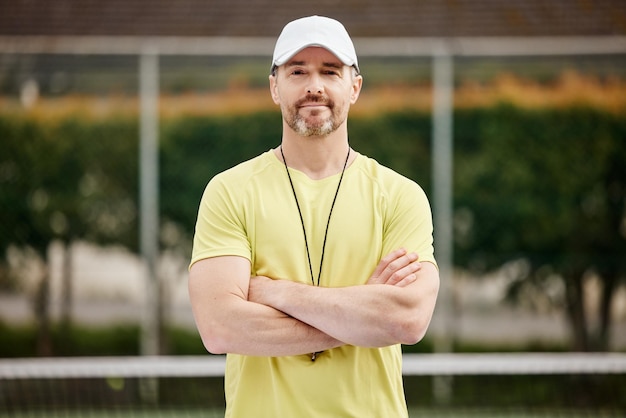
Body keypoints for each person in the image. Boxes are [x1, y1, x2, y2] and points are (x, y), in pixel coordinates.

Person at [188, 15, 439, 418]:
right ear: (274, 86)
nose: (314, 86)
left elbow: (407, 319)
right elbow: (219, 327)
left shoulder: (400, 196)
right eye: (298, 71)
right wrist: (360, 316)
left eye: (330, 71)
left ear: (354, 87)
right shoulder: (230, 191)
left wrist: (277, 293)